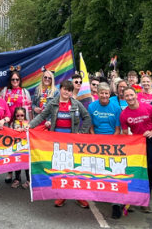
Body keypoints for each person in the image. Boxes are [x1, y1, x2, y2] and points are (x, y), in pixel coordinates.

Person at [29, 80, 91, 208]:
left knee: (74, 169)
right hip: (56, 141)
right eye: (64, 89)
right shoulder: (53, 103)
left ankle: (79, 196)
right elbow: (41, 117)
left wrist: (81, 133)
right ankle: (61, 195)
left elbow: (87, 118)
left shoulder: (76, 104)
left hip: (72, 142)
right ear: (60, 89)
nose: (67, 92)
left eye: (69, 90)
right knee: (61, 168)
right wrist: (29, 125)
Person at [119, 86, 152, 213]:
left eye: (131, 95)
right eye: (127, 96)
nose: (129, 98)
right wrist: (130, 141)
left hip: (151, 142)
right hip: (136, 145)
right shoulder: (124, 114)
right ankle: (134, 199)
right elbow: (124, 132)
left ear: (136, 95)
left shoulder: (148, 107)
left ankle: (145, 201)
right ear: (124, 98)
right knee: (136, 171)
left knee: (149, 172)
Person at [88, 82, 122, 218]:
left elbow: (118, 128)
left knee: (113, 172)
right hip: (96, 142)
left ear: (109, 94)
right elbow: (90, 126)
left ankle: (116, 204)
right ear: (98, 94)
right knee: (99, 169)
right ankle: (102, 194)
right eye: (101, 93)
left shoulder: (116, 107)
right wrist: (95, 140)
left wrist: (110, 142)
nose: (104, 95)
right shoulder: (91, 106)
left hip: (112, 142)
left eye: (106, 93)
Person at [0, 70, 32, 183]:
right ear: (10, 80)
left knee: (21, 149)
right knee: (9, 149)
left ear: (20, 80)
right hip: (9, 124)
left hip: (22, 125)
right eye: (13, 79)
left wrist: (28, 124)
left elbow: (29, 109)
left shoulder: (24, 91)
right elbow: (0, 106)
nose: (15, 81)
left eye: (17, 79)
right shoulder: (5, 91)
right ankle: (10, 173)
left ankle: (23, 177)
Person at [10, 107, 30, 189]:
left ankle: (29, 180)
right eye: (18, 116)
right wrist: (15, 131)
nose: (20, 117)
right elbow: (9, 133)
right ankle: (17, 179)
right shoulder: (13, 123)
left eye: (22, 115)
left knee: (26, 165)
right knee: (17, 163)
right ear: (15, 116)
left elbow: (32, 132)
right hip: (17, 147)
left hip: (26, 147)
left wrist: (25, 130)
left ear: (25, 115)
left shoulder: (28, 123)